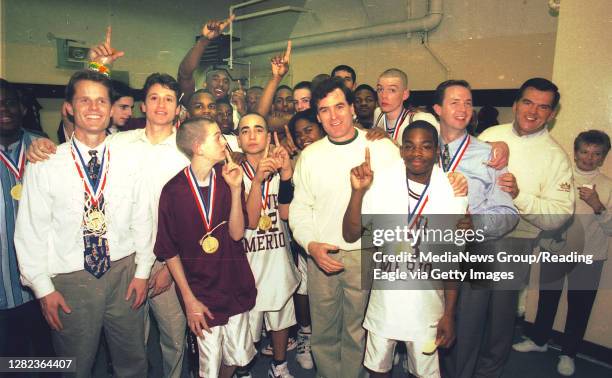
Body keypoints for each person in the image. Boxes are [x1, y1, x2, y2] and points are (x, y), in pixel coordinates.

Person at [15, 70, 155, 377]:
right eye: (84, 100)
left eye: (101, 100)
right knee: (74, 366)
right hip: (71, 279)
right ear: (69, 107)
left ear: (110, 107)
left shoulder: (131, 157)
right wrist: (42, 288)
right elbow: (31, 230)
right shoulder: (46, 163)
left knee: (133, 362)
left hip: (124, 271)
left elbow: (142, 217)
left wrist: (143, 271)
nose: (94, 107)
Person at [289, 77, 402, 378]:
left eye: (339, 106)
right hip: (322, 255)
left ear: (352, 108)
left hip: (365, 253)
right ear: (317, 116)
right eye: (325, 110)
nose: (334, 116)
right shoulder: (310, 156)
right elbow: (300, 208)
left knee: (356, 331)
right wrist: (310, 245)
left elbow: (398, 203)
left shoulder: (381, 148)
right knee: (323, 332)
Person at [343, 121, 468, 378]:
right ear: (401, 151)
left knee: (423, 372)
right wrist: (357, 193)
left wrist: (449, 314)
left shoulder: (452, 193)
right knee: (378, 369)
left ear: (436, 150)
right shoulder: (382, 184)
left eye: (425, 146)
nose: (416, 153)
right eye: (409, 146)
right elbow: (350, 233)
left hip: (427, 307)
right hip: (385, 303)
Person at [472, 77, 574, 377]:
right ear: (516, 104)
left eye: (543, 107)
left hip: (516, 239)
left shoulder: (555, 156)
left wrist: (519, 196)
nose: (533, 111)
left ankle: (488, 372)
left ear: (552, 114)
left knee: (499, 320)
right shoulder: (491, 134)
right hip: (476, 233)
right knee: (468, 311)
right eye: (528, 102)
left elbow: (560, 215)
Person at [155, 116, 256, 378]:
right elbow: (169, 251)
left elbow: (236, 234)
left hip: (234, 282)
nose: (225, 142)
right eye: (218, 136)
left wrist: (235, 190)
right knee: (207, 363)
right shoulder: (173, 191)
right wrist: (189, 300)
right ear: (198, 146)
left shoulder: (228, 179)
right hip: (201, 291)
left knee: (236, 355)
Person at [512, 129, 610, 376]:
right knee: (547, 299)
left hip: (589, 255)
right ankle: (540, 341)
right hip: (553, 249)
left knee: (579, 306)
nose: (589, 158)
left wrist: (598, 205)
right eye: (584, 152)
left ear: (603, 157)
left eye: (596, 154)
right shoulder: (561, 176)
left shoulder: (608, 186)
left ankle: (568, 353)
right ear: (575, 153)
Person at [237, 113, 300, 377]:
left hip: (276, 255)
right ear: (238, 139)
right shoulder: (231, 171)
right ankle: (244, 368)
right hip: (246, 258)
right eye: (245, 131)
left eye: (258, 129)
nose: (252, 136)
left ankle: (280, 364)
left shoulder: (282, 165)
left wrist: (286, 173)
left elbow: (286, 213)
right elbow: (250, 222)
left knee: (281, 314)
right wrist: (256, 181)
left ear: (267, 135)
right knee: (246, 323)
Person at [0, 78, 55, 362]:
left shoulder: (44, 147)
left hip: (44, 286)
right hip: (2, 285)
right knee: (10, 362)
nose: (4, 109)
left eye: (10, 102)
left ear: (22, 107)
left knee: (51, 359)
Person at [373, 68, 439, 144]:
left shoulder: (420, 119)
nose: (384, 95)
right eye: (380, 89)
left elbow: (437, 150)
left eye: (392, 90)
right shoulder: (378, 113)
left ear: (405, 94)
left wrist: (389, 140)